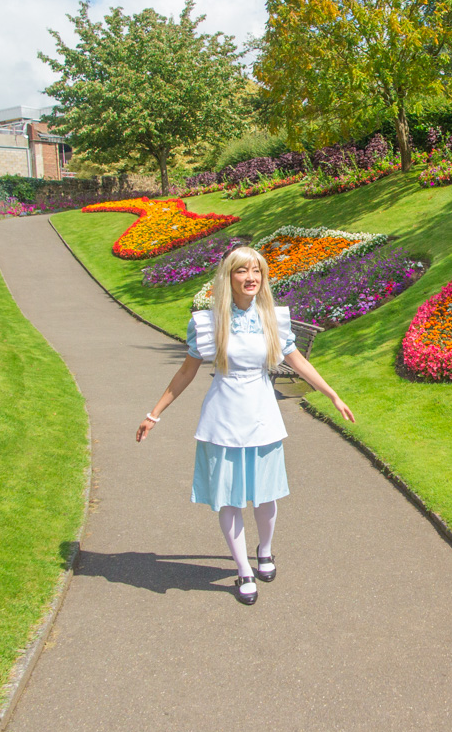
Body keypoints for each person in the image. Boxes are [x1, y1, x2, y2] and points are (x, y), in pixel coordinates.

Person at [135, 246, 355, 605]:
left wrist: (332, 395)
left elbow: (297, 361)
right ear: (229, 277)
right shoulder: (208, 323)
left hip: (263, 415)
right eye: (242, 271)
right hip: (222, 418)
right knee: (230, 499)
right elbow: (186, 372)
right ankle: (243, 570)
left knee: (266, 495)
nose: (250, 277)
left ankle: (265, 550)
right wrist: (154, 413)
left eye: (257, 271)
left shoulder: (272, 318)